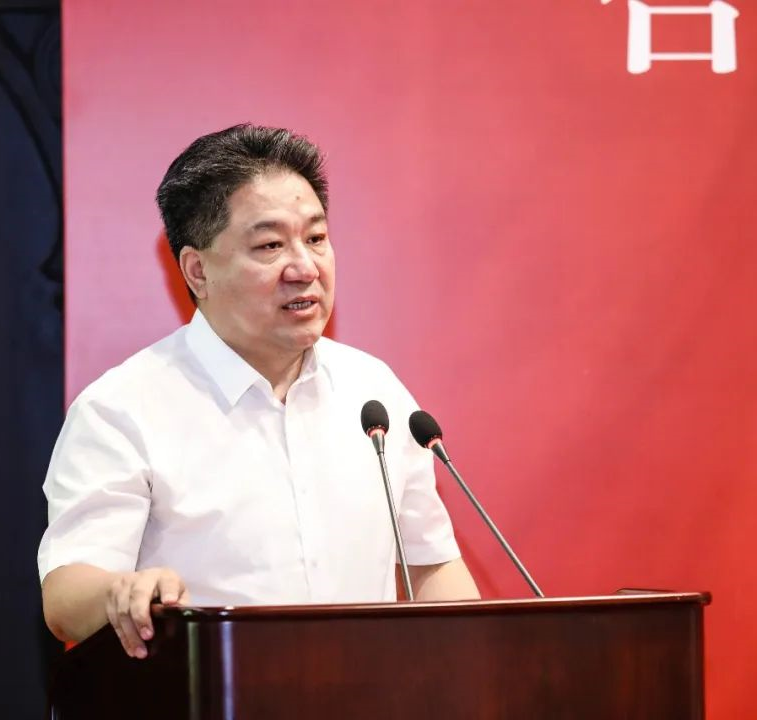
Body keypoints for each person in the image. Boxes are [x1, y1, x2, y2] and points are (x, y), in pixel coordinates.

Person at [38, 124, 479, 659]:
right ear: (197, 271)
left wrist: (477, 671)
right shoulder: (122, 409)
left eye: (316, 238)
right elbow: (66, 596)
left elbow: (431, 568)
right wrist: (121, 592)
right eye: (270, 245)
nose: (306, 267)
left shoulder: (373, 393)